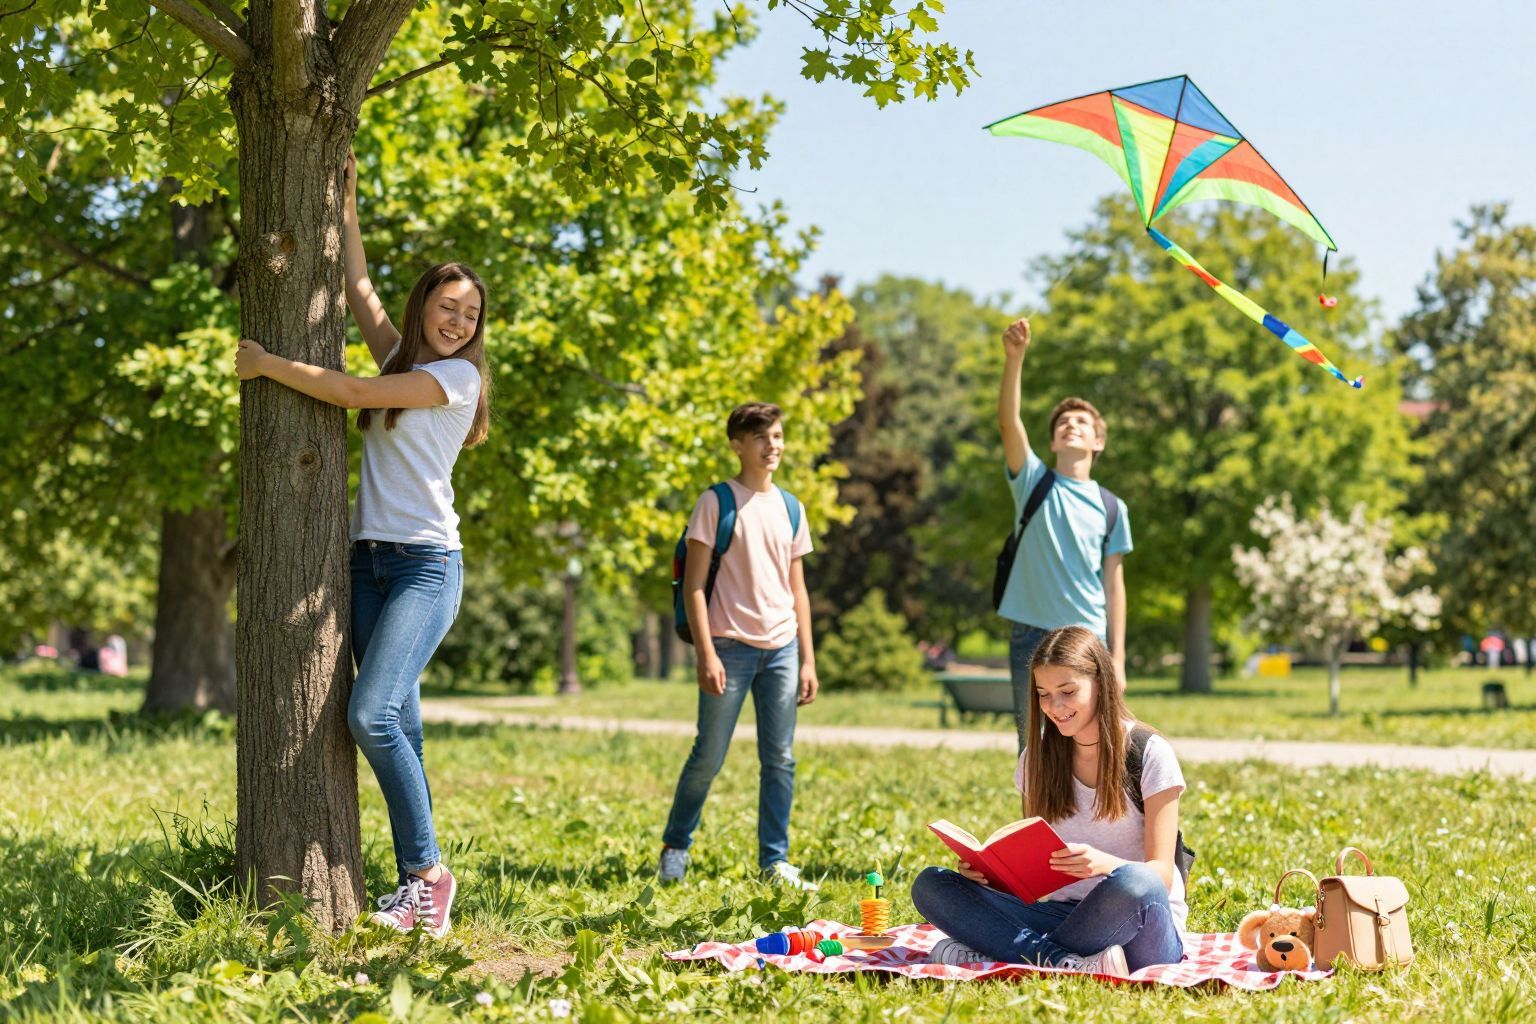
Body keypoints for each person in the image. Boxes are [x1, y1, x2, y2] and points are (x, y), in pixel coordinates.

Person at [234, 153, 492, 938]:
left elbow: (347, 393)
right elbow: (359, 289)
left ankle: (428, 876)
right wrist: (345, 203)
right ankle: (418, 887)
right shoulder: (403, 358)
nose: (457, 322)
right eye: (448, 307)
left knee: (373, 715)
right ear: (426, 310)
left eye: (470, 315)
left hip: (424, 566)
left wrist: (268, 364)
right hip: (367, 562)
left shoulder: (457, 382)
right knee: (401, 724)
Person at [911, 626, 1187, 976]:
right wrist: (989, 876)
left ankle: (1003, 951)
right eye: (1044, 694)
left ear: (1101, 682)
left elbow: (1160, 875)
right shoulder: (1036, 759)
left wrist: (1105, 865)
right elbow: (1035, 872)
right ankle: (1067, 963)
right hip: (1060, 916)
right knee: (932, 884)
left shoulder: (1148, 752)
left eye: (1068, 691)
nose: (1055, 707)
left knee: (1137, 881)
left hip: (1141, 924)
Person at [658, 402, 820, 890]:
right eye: (761, 437)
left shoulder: (792, 507)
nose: (773, 446)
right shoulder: (716, 502)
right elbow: (692, 585)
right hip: (729, 648)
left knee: (781, 757)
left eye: (777, 436)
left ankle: (775, 860)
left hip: (783, 648)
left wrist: (809, 658)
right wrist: (705, 653)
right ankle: (676, 847)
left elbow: (799, 590)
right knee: (709, 754)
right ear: (737, 444)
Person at [996, 316, 1133, 752]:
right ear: (1052, 443)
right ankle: (1036, 823)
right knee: (1034, 750)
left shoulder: (1113, 507)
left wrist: (1119, 656)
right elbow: (1008, 422)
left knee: (1091, 746)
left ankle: (1085, 824)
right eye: (1062, 424)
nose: (1070, 425)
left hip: (1088, 638)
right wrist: (1014, 359)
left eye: (1081, 422)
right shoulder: (1033, 482)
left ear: (1098, 443)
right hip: (1031, 635)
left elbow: (1114, 584)